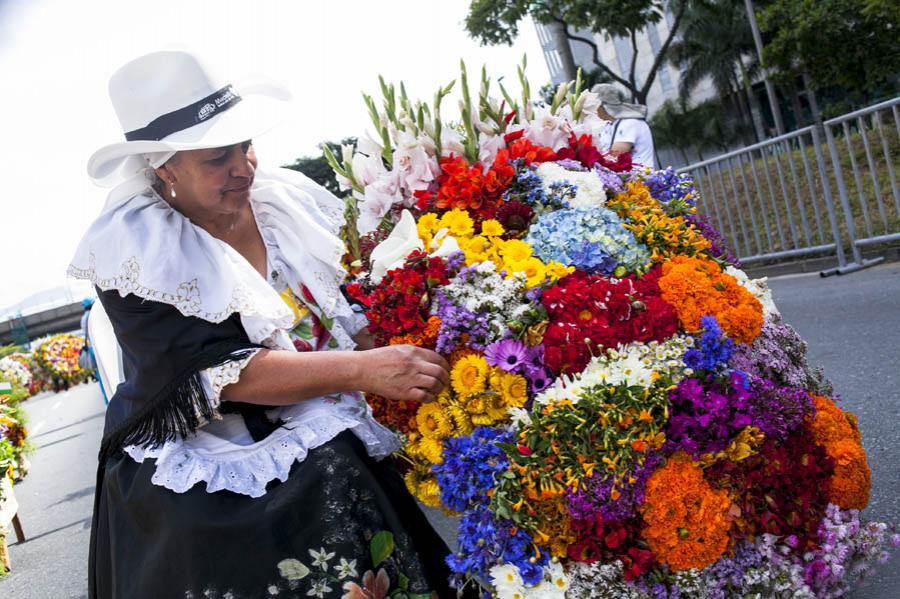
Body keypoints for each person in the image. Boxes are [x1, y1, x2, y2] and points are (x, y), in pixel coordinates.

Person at [69, 50, 468, 599]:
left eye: (245, 145)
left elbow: (344, 313)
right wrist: (367, 369)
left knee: (351, 469)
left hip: (316, 404)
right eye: (217, 157)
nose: (243, 167)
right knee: (318, 483)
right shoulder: (135, 251)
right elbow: (221, 374)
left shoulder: (286, 202)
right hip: (202, 444)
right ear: (165, 168)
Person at [592, 83, 657, 169]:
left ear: (600, 106)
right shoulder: (608, 126)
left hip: (640, 180)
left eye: (592, 105)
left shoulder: (630, 122)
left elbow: (615, 156)